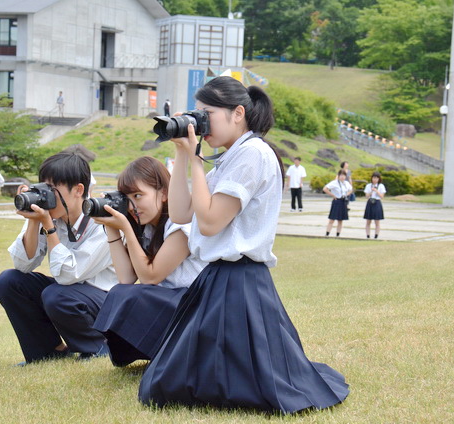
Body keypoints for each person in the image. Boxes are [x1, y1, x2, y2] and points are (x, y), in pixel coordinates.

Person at [138, 76, 349, 413]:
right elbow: (179, 211)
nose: (201, 123)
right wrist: (182, 155)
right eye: (198, 114)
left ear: (238, 113)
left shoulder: (252, 154)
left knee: (202, 384)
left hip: (240, 281)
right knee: (163, 383)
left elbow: (209, 223)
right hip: (217, 279)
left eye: (208, 114)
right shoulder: (230, 156)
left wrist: (195, 160)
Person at [0, 153, 117, 365]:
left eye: (53, 189)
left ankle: (98, 348)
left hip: (105, 300)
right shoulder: (51, 215)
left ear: (78, 190)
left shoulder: (102, 220)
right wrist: (34, 221)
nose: (46, 195)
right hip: (69, 293)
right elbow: (23, 264)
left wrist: (49, 228)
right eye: (44, 188)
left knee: (57, 294)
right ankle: (48, 352)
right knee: (9, 282)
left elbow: (70, 274)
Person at [92, 156, 206, 367]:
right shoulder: (149, 227)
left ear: (163, 193)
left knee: (134, 296)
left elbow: (150, 277)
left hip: (196, 307)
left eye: (138, 195)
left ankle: (174, 355)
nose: (132, 205)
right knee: (120, 292)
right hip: (172, 301)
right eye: (127, 198)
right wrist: (112, 228)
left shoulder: (181, 224)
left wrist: (126, 227)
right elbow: (126, 278)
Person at [323, 170, 354, 237]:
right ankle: (327, 234)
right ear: (338, 176)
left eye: (344, 175)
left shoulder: (346, 183)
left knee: (340, 220)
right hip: (337, 201)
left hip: (343, 201)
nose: (342, 177)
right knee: (332, 219)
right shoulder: (334, 183)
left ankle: (338, 234)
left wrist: (347, 194)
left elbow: (351, 189)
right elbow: (325, 189)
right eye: (341, 175)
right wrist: (332, 195)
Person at [364, 172, 386, 239]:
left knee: (377, 221)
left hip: (377, 202)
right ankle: (368, 235)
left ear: (379, 179)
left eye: (376, 178)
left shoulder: (381, 186)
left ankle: (376, 235)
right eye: (374, 178)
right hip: (370, 202)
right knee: (368, 220)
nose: (375, 179)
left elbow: (382, 196)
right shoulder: (368, 185)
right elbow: (366, 196)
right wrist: (371, 191)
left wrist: (376, 191)